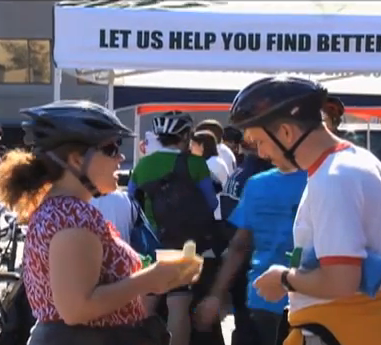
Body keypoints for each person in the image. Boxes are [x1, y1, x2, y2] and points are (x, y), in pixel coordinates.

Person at [201, 76, 381, 345]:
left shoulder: (333, 179)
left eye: (260, 142)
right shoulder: (358, 161)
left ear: (287, 132)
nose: (263, 154)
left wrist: (284, 278)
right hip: (366, 324)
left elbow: (341, 281)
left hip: (339, 331)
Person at [0, 100, 201, 345]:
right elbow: (77, 309)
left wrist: (157, 277)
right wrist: (151, 279)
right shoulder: (71, 217)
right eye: (111, 148)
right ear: (75, 160)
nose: (121, 157)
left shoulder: (63, 211)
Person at [196, 151, 307, 345]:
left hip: (259, 296)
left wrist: (215, 295)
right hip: (305, 297)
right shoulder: (320, 181)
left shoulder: (257, 183)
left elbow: (239, 245)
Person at [128, 110, 218, 345]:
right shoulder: (196, 163)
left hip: (149, 243)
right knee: (178, 303)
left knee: (146, 305)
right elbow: (212, 203)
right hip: (184, 242)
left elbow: (131, 203)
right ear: (186, 135)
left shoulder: (142, 165)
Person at [216, 136, 273, 345]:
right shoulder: (258, 178)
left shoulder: (241, 173)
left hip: (245, 268)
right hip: (255, 267)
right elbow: (242, 240)